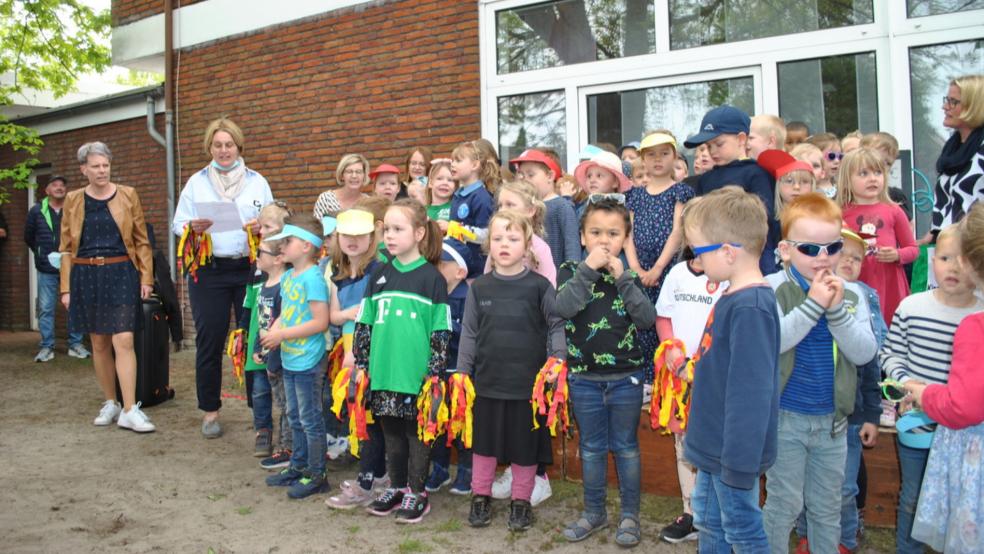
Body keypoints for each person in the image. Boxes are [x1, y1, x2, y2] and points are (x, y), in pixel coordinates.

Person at [762, 193, 878, 554]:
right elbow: (774, 342)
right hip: (785, 419)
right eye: (810, 249)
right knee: (783, 505)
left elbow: (864, 352)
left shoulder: (853, 294)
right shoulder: (771, 288)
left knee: (828, 508)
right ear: (785, 249)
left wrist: (837, 310)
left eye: (833, 247)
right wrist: (814, 304)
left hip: (833, 423)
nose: (824, 257)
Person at [680, 186, 780, 553]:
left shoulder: (750, 307)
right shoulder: (733, 296)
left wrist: (738, 463)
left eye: (697, 250)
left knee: (742, 530)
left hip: (732, 454)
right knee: (708, 520)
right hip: (713, 448)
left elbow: (750, 394)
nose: (695, 259)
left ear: (727, 251)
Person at [555, 198, 655, 547]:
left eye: (613, 234)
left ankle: (630, 515)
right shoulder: (569, 270)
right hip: (583, 377)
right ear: (582, 237)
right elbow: (563, 308)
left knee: (626, 447)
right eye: (595, 232)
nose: (603, 240)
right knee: (593, 448)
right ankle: (594, 512)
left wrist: (623, 278)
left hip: (626, 378)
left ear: (625, 238)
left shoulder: (628, 276)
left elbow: (646, 319)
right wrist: (587, 271)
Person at [878, 224, 982, 554]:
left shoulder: (979, 315)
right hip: (917, 422)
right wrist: (906, 382)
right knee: (912, 495)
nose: (953, 267)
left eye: (962, 259)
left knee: (959, 498)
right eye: (945, 257)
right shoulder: (912, 307)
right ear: (933, 260)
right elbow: (889, 353)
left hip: (964, 435)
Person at [462, 210, 566, 532]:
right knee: (484, 444)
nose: (504, 244)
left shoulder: (539, 286)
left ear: (528, 245)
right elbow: (469, 332)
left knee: (524, 446)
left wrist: (557, 358)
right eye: (497, 238)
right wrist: (462, 373)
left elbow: (556, 324)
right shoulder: (479, 287)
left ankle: (521, 502)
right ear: (488, 245)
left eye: (513, 238)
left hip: (527, 386)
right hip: (488, 383)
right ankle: (480, 497)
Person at [172, 117, 272, 438]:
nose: (224, 150)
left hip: (249, 269)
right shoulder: (196, 182)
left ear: (238, 146)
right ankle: (210, 411)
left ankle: (260, 415)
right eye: (217, 145)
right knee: (210, 340)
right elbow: (178, 224)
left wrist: (263, 227)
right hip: (209, 269)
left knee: (253, 338)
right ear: (209, 148)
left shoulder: (258, 182)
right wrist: (192, 227)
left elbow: (275, 222)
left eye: (229, 144)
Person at [356, 199, 451, 523]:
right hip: (383, 374)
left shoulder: (432, 278)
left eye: (398, 229)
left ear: (420, 232)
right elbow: (364, 322)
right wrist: (362, 364)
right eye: (386, 229)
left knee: (416, 434)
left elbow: (441, 330)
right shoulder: (379, 275)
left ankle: (417, 492)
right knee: (391, 433)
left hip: (416, 377)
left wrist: (434, 374)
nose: (390, 236)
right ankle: (397, 488)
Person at [793, 228, 886, 553]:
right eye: (841, 254)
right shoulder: (807, 296)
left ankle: (845, 539)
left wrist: (872, 416)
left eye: (856, 258)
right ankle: (807, 535)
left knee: (843, 487)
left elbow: (870, 365)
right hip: (811, 409)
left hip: (851, 414)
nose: (848, 262)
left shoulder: (861, 302)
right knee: (807, 483)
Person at [60, 142, 156, 433]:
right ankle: (111, 402)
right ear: (84, 169)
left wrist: (146, 278)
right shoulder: (73, 199)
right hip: (86, 274)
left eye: (106, 165)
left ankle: (130, 409)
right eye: (96, 166)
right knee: (99, 342)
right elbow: (64, 246)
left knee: (124, 339)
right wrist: (65, 287)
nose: (102, 171)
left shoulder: (128, 195)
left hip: (121, 272)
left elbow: (141, 239)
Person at [654, 245, 728, 544]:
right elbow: (663, 316)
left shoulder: (726, 276)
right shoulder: (676, 273)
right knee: (683, 445)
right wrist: (672, 350)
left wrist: (700, 363)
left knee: (711, 444)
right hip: (679, 377)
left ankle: (715, 513)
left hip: (712, 375)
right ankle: (691, 513)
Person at [324, 208, 389, 510]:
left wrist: (359, 349)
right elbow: (334, 315)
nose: (353, 241)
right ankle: (375, 476)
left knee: (370, 416)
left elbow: (380, 314)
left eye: (360, 235)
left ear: (372, 236)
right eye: (347, 235)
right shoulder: (338, 271)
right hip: (349, 349)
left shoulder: (379, 269)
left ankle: (371, 479)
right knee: (359, 415)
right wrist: (350, 315)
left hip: (370, 350)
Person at [262, 215, 332, 499]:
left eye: (287, 241)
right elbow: (284, 312)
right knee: (294, 415)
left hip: (308, 360)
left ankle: (317, 474)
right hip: (290, 357)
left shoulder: (313, 278)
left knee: (310, 418)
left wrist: (282, 335)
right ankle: (299, 465)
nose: (282, 246)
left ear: (305, 246)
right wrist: (273, 332)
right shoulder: (290, 276)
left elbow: (320, 322)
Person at [625, 131, 694, 377]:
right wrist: (635, 267)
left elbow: (678, 232)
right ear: (642, 159)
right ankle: (643, 383)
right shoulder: (634, 195)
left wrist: (657, 269)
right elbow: (627, 234)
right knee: (640, 324)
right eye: (651, 155)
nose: (658, 160)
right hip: (639, 271)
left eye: (664, 154)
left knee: (666, 323)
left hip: (667, 271)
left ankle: (666, 380)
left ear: (675, 157)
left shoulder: (681, 192)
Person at [685, 105, 778, 274]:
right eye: (708, 146)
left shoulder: (757, 173)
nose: (712, 151)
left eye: (719, 144)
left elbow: (765, 217)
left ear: (741, 139)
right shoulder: (706, 178)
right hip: (713, 260)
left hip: (752, 261)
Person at [838, 148, 918, 325]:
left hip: (889, 282)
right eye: (863, 173)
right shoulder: (839, 213)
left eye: (877, 172)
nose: (873, 178)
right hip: (855, 278)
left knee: (889, 327)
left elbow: (913, 249)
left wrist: (898, 255)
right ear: (846, 180)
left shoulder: (894, 211)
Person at [241, 202, 290, 460]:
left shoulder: (290, 271)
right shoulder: (258, 266)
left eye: (269, 227)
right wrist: (241, 330)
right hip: (257, 344)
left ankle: (287, 436)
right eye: (261, 226)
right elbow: (248, 302)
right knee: (259, 389)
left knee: (283, 393)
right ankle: (262, 430)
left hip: (282, 345)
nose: (262, 231)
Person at [423, 239, 473, 496]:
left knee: (462, 422)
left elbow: (470, 335)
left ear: (460, 271)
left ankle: (467, 471)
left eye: (441, 264)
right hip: (436, 373)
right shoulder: (432, 297)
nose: (435, 268)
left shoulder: (467, 298)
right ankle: (440, 467)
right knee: (436, 421)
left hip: (460, 373)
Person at [25, 175, 90, 362]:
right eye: (55, 185)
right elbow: (29, 237)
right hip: (46, 268)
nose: (59, 188)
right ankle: (46, 347)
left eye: (63, 185)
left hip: (72, 266)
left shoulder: (73, 209)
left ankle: (75, 345)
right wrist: (40, 253)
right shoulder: (36, 211)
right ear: (47, 190)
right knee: (45, 308)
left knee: (75, 306)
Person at [931, 74, 984, 235]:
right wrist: (932, 234)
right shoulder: (951, 147)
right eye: (946, 100)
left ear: (974, 106)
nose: (945, 107)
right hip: (949, 243)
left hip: (976, 245)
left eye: (953, 102)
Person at [511, 148, 580, 272]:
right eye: (522, 175)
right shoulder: (523, 207)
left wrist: (569, 280)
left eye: (531, 175)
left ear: (550, 176)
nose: (525, 179)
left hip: (556, 284)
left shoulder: (562, 207)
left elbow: (572, 249)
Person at [249, 237, 287, 459]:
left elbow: (281, 327)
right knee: (268, 395)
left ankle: (285, 444)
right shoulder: (263, 286)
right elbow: (262, 321)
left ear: (278, 259)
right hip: (266, 353)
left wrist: (273, 358)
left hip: (279, 356)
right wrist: (256, 346)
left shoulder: (284, 287)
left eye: (260, 252)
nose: (256, 257)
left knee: (285, 405)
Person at [484, 179, 556, 286]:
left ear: (530, 210)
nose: (502, 210)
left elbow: (548, 289)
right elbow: (486, 280)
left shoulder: (540, 248)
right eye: (500, 205)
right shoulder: (498, 243)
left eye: (510, 205)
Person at [450, 141, 499, 278]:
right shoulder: (458, 194)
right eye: (452, 161)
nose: (452, 164)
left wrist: (455, 229)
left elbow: (486, 234)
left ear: (475, 165)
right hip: (460, 264)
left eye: (458, 160)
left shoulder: (481, 197)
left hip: (476, 269)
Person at [314, 153, 370, 218]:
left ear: (364, 175)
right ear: (342, 175)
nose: (354, 176)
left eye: (358, 172)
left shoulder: (369, 203)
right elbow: (316, 227)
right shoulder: (326, 199)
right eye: (349, 171)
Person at [425, 158, 456, 233]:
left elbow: (465, 233)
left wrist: (450, 227)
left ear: (455, 186)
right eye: (439, 179)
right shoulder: (422, 211)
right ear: (430, 183)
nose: (445, 183)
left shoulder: (457, 208)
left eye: (450, 180)